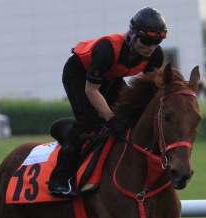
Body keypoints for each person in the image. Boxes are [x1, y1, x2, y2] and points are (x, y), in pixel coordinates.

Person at [48, 6, 167, 197]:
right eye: (146, 41)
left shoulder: (155, 55)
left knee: (131, 116)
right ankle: (59, 180)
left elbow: (150, 91)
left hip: (111, 77)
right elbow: (91, 89)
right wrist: (112, 118)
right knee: (90, 122)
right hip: (79, 76)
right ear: (132, 34)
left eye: (157, 42)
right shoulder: (107, 49)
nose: (150, 47)